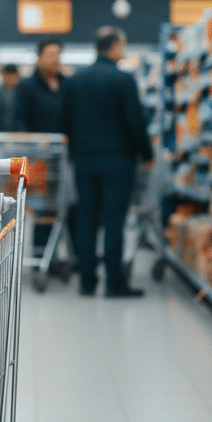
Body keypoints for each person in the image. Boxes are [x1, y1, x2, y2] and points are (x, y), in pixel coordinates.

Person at [60, 26, 153, 297]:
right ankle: (114, 283)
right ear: (115, 47)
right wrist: (146, 154)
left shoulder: (75, 81)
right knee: (114, 220)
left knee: (86, 219)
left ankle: (87, 281)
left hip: (84, 160)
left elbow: (64, 121)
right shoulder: (123, 79)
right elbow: (135, 121)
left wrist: (78, 148)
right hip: (118, 159)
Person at [12, 38, 66, 133]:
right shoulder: (26, 86)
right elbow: (19, 120)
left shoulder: (68, 85)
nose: (55, 59)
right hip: (36, 145)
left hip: (65, 145)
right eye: (51, 55)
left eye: (58, 54)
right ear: (39, 58)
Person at [0, 64, 20, 131]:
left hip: (18, 131)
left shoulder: (22, 91)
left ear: (17, 77)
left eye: (11, 77)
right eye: (6, 76)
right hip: (1, 129)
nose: (9, 79)